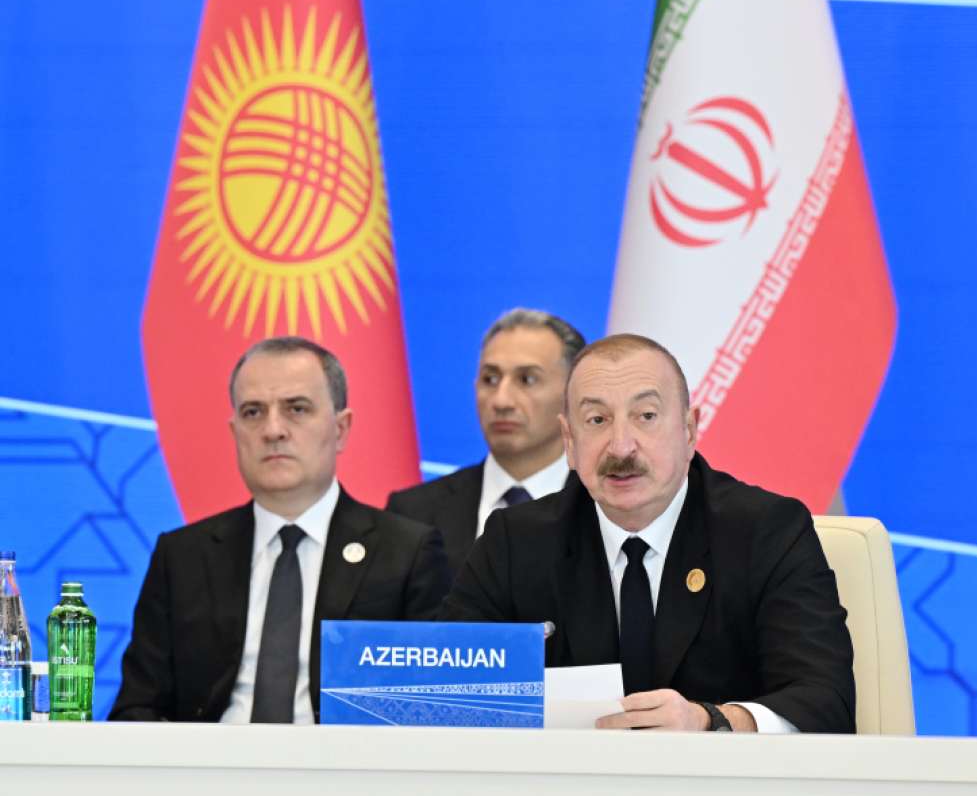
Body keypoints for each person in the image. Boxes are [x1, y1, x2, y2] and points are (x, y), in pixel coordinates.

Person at [440, 333, 855, 733]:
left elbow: (824, 698)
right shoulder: (515, 542)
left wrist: (713, 721)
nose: (621, 447)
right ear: (569, 441)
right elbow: (446, 689)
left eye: (646, 417)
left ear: (689, 431)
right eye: (597, 420)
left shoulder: (766, 531)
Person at [110, 337, 450, 723]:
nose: (273, 430)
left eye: (297, 409)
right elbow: (136, 707)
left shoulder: (406, 553)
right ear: (235, 431)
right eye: (253, 412)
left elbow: (431, 709)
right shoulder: (183, 557)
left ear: (341, 429)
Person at [386, 309, 585, 578]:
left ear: (574, 393)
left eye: (527, 379)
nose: (501, 401)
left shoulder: (609, 507)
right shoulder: (412, 514)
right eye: (490, 379)